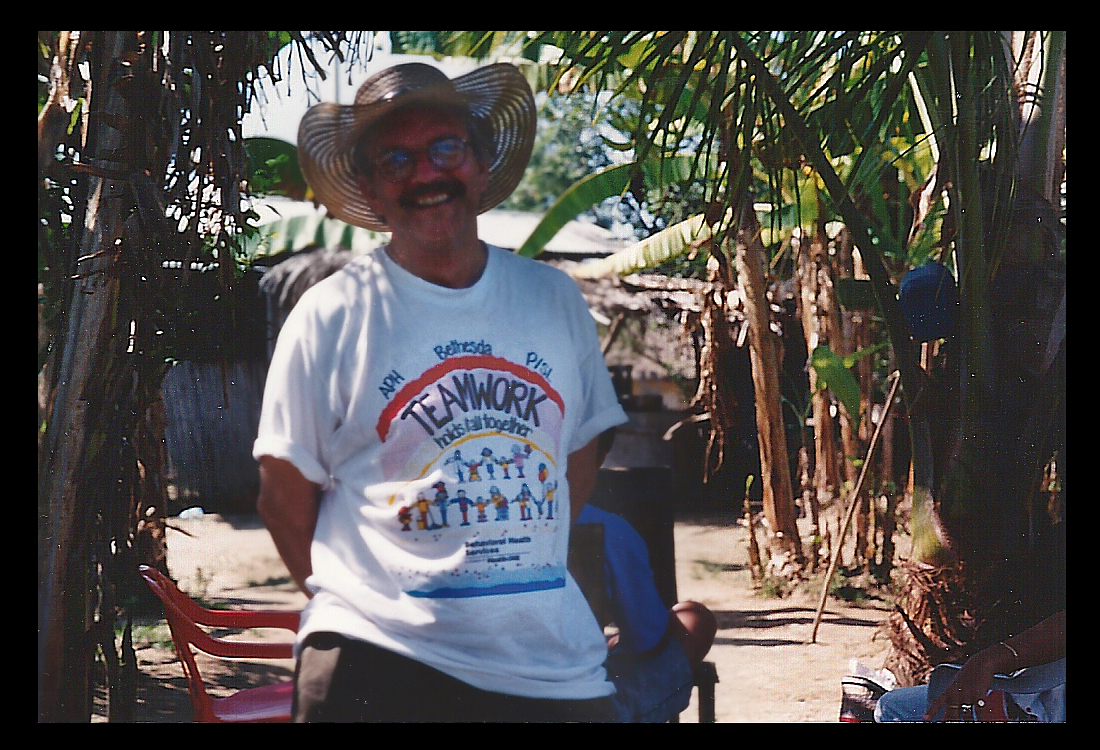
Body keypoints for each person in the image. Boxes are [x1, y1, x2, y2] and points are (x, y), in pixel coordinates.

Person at [253, 62, 629, 722]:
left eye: (445, 148)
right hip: (378, 662)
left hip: (552, 672)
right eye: (395, 159)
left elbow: (580, 454)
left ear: (481, 164)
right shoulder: (332, 314)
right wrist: (369, 599)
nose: (424, 174)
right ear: (370, 188)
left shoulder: (553, 299)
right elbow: (284, 496)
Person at [574, 504, 717, 722]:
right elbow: (647, 638)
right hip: (582, 702)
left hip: (506, 699)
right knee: (695, 618)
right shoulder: (607, 527)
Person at [874, 610, 1066, 722]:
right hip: (1041, 691)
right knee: (891, 705)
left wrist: (989, 661)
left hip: (1041, 706)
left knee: (893, 708)